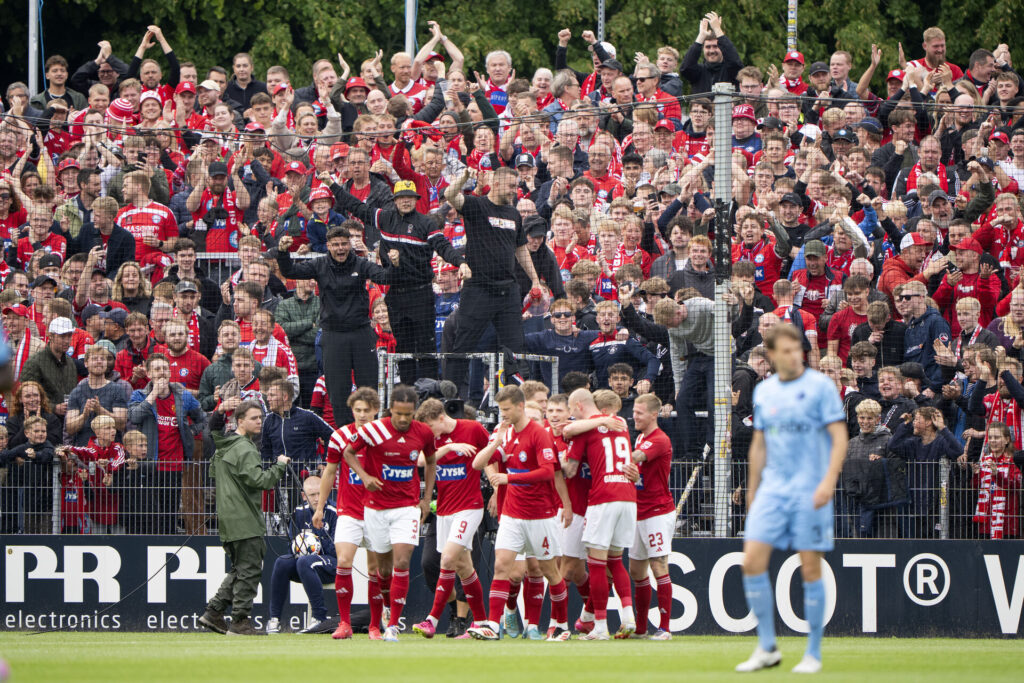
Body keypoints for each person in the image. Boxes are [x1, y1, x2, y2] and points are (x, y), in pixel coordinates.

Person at [737, 324, 847, 674]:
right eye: (784, 350)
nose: (792, 355)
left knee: (810, 566)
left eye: (796, 348)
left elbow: (839, 437)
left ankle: (813, 653)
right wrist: (753, 488)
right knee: (751, 561)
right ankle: (767, 647)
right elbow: (759, 444)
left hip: (809, 488)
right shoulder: (765, 391)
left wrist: (828, 481)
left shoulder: (820, 387)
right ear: (770, 355)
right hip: (772, 489)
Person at [321, 173, 467, 382]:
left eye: (409, 197)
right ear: (395, 200)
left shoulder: (425, 223)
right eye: (401, 197)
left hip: (421, 293)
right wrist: (332, 184)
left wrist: (460, 262)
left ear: (416, 200)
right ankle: (407, 394)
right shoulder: (385, 218)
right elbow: (355, 206)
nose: (405, 201)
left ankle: (430, 395)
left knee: (425, 347)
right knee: (402, 347)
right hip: (396, 295)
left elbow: (443, 247)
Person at [467, 385, 573, 642]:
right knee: (502, 566)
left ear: (519, 406)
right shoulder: (508, 434)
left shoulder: (538, 434)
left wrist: (510, 477)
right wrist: (496, 443)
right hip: (513, 513)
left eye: (506, 410)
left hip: (540, 514)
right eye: (500, 410)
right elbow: (477, 464)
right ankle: (493, 625)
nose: (502, 415)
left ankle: (561, 625)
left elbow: (548, 472)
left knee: (549, 570)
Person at [337, 384, 436, 642]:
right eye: (399, 413)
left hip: (407, 508)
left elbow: (432, 460)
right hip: (376, 508)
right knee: (382, 571)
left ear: (414, 412)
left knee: (402, 561)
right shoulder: (374, 430)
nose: (404, 419)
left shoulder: (423, 432)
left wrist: (426, 499)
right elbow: (347, 453)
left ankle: (392, 626)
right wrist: (364, 475)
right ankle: (385, 605)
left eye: (409, 414)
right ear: (390, 409)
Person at [277, 227, 400, 426]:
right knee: (337, 390)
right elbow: (290, 271)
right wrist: (282, 253)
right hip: (333, 336)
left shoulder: (360, 264)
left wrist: (394, 264)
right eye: (335, 245)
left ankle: (371, 429)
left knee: (368, 387)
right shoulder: (319, 264)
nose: (340, 248)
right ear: (328, 246)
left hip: (361, 333)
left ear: (350, 245)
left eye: (344, 244)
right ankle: (344, 434)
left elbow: (385, 277)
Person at [443, 168, 542, 391]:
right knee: (463, 345)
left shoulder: (514, 213)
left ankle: (517, 399)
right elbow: (450, 194)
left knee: (515, 349)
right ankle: (451, 398)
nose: (513, 191)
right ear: (495, 184)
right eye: (509, 186)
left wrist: (535, 279)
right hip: (478, 289)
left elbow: (521, 249)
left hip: (508, 291)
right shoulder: (476, 205)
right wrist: (465, 178)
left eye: (515, 186)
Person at [200, 399, 290, 636]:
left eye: (260, 417)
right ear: (240, 421)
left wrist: (219, 412)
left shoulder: (225, 445)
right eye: (253, 418)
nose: (259, 421)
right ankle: (240, 622)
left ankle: (214, 613)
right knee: (249, 571)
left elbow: (213, 432)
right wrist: (279, 466)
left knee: (240, 569)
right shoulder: (246, 448)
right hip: (245, 519)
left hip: (228, 518)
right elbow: (260, 481)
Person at [312, 388, 388, 640]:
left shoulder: (385, 437)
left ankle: (375, 625)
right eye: (358, 410)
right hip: (349, 511)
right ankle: (344, 623)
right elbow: (330, 472)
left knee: (375, 570)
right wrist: (321, 507)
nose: (363, 415)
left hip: (377, 512)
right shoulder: (341, 436)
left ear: (376, 410)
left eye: (367, 410)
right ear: (352, 410)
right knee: (344, 561)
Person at [412, 398, 491, 638]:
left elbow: (491, 454)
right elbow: (418, 461)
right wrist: (448, 448)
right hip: (444, 510)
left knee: (446, 559)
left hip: (469, 506)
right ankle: (482, 623)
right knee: (464, 568)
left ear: (441, 418)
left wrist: (497, 489)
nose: (428, 432)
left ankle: (431, 620)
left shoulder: (473, 429)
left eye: (430, 427)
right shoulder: (433, 439)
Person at [128, 353, 208, 535]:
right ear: (148, 373)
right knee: (150, 514)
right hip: (148, 464)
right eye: (157, 369)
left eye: (165, 368)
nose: (162, 373)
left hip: (174, 465)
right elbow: (134, 416)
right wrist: (153, 394)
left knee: (169, 514)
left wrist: (191, 432)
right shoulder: (139, 394)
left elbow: (203, 419)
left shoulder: (182, 396)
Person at [626, 393, 675, 640]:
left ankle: (665, 627)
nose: (634, 416)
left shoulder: (659, 440)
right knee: (636, 570)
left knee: (659, 565)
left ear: (653, 415)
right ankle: (641, 628)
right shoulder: (640, 437)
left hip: (657, 511)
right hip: (637, 510)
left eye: (639, 413)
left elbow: (636, 459)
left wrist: (609, 451)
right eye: (634, 412)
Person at [266, 475, 338, 635]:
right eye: (312, 495)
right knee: (282, 562)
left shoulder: (335, 512)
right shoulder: (299, 512)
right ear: (304, 495)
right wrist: (299, 545)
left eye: (320, 493)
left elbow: (336, 549)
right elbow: (291, 546)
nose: (317, 498)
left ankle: (319, 618)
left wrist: (316, 544)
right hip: (305, 565)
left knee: (305, 561)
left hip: (332, 564)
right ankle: (274, 620)